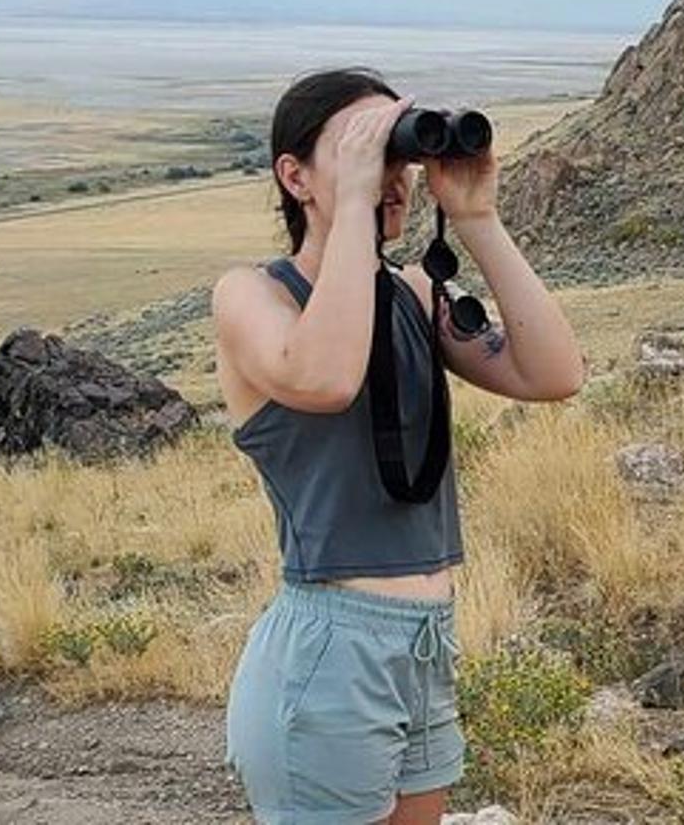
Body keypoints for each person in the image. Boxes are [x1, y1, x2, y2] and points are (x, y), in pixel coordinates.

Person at [212, 67, 586, 825]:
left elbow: (554, 373)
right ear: (295, 175)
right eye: (364, 150)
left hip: (426, 637)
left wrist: (477, 218)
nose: (390, 176)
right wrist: (353, 205)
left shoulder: (414, 295)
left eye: (397, 153)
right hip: (330, 647)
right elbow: (325, 377)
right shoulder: (253, 296)